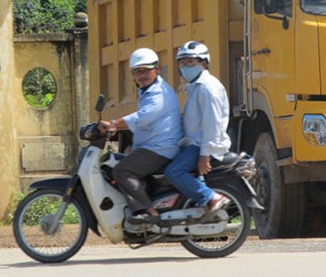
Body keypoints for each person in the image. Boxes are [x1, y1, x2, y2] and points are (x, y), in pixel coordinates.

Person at [98, 47, 182, 224]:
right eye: (137, 72)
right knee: (120, 160)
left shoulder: (160, 93)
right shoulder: (147, 90)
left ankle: (148, 212)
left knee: (122, 170)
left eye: (145, 71)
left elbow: (143, 117)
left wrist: (114, 124)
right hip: (151, 147)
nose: (141, 76)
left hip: (159, 149)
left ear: (157, 70)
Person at [165, 41, 232, 216]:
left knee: (174, 172)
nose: (185, 67)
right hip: (194, 143)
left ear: (203, 64)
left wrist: (205, 155)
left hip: (203, 145)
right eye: (182, 63)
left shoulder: (208, 88)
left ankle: (211, 197)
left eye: (190, 63)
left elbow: (212, 123)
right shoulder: (195, 86)